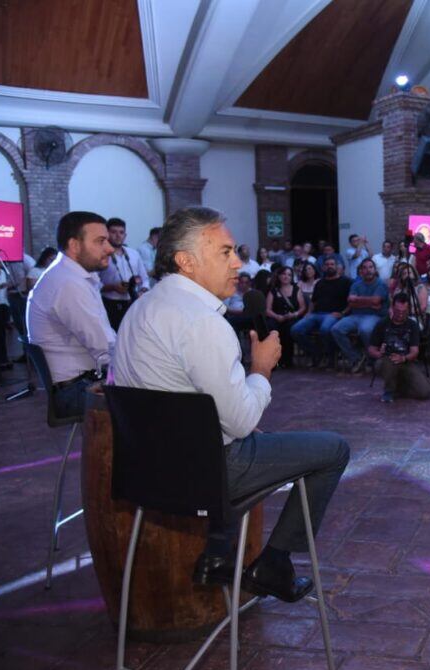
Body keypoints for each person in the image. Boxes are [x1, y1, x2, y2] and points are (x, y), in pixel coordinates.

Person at [112, 206, 349, 601]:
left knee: (253, 437)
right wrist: (262, 369)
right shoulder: (202, 322)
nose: (238, 261)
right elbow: (239, 422)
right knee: (333, 449)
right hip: (203, 477)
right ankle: (275, 563)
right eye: (224, 252)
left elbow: (183, 401)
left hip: (148, 472)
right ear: (186, 262)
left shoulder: (141, 308)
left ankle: (218, 554)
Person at [26, 211, 116, 417]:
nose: (110, 249)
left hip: (76, 384)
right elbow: (105, 348)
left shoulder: (69, 276)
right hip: (76, 390)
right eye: (101, 241)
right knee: (158, 397)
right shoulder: (68, 284)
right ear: (75, 245)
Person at [368, 292, 430, 403]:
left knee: (425, 392)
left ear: (409, 310)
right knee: (389, 362)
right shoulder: (382, 323)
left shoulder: (412, 325)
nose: (401, 314)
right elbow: (371, 349)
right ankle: (389, 390)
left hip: (405, 361)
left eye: (404, 312)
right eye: (398, 311)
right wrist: (380, 353)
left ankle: (400, 386)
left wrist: (404, 358)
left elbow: (414, 351)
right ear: (392, 308)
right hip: (385, 360)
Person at [290, 256, 351, 365]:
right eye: (327, 265)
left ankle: (331, 356)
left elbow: (351, 302)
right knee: (295, 330)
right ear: (323, 268)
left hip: (333, 314)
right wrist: (308, 313)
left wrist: (343, 313)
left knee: (325, 329)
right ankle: (316, 353)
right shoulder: (320, 283)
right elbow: (314, 302)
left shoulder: (346, 282)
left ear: (337, 267)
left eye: (332, 264)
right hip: (316, 314)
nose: (329, 266)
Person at [330, 259, 388, 372]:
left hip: (374, 315)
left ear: (375, 269)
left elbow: (376, 301)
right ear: (361, 271)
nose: (368, 270)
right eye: (365, 268)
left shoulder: (380, 284)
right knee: (336, 329)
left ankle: (372, 358)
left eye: (370, 267)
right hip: (355, 315)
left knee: (365, 329)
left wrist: (358, 300)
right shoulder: (356, 284)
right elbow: (351, 302)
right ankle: (356, 357)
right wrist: (370, 303)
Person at [98, 218, 150, 330]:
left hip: (133, 303)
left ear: (125, 235)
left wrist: (142, 290)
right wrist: (113, 287)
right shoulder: (100, 256)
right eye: (114, 232)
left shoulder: (134, 254)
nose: (118, 236)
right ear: (107, 234)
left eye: (121, 232)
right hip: (110, 304)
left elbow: (144, 279)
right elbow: (93, 285)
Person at [265, 266, 305, 368]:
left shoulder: (297, 290)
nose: (286, 277)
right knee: (272, 329)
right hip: (276, 316)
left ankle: (287, 360)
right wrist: (277, 316)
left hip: (291, 316)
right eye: (284, 274)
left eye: (289, 275)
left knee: (289, 329)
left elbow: (302, 307)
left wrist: (294, 314)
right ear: (279, 276)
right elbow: (268, 309)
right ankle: (274, 360)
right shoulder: (273, 291)